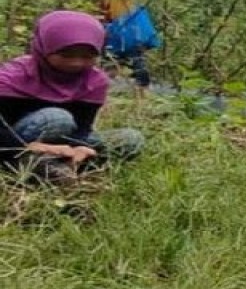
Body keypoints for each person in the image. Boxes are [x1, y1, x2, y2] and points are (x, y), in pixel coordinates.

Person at [0, 10, 145, 184]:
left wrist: (79, 148)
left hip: (64, 144)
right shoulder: (12, 76)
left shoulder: (94, 81)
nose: (76, 62)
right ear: (45, 47)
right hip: (13, 142)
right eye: (66, 55)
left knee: (131, 139)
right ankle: (21, 161)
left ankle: (57, 164)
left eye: (87, 56)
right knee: (57, 118)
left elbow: (82, 128)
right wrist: (25, 147)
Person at [100, 0, 161, 98]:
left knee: (116, 66)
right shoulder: (132, 2)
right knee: (135, 66)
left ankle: (137, 95)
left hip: (120, 41)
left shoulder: (117, 0)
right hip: (128, 40)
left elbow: (105, 18)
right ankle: (140, 94)